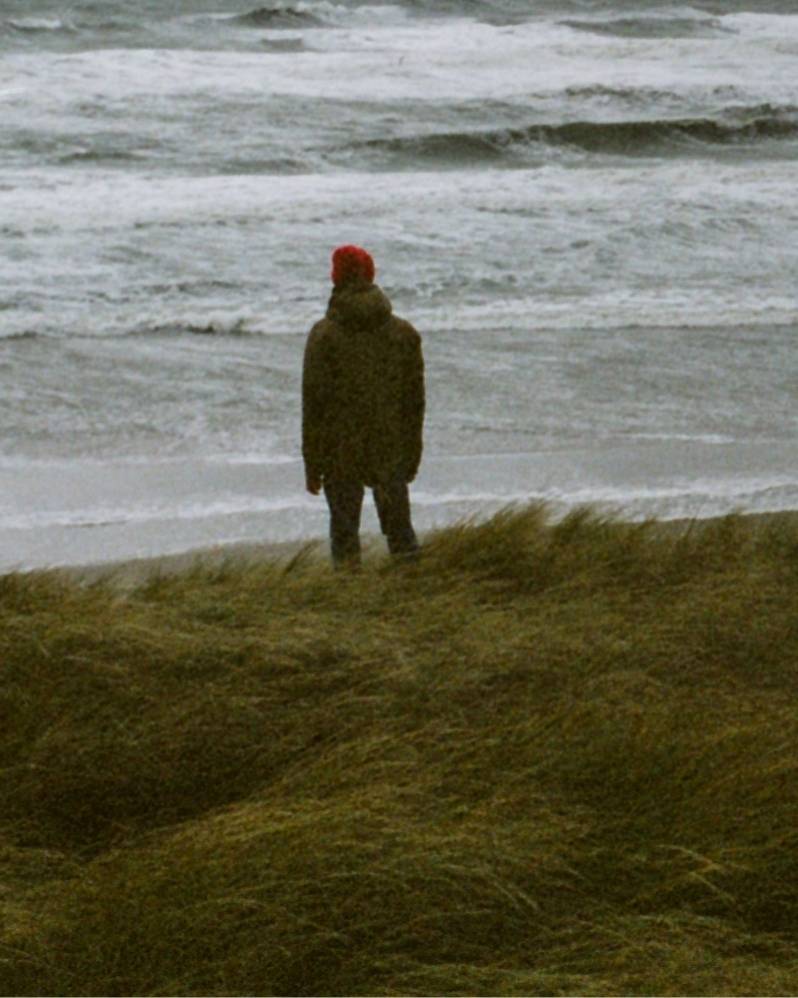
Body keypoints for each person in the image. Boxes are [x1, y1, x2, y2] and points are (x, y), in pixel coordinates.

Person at [302, 245, 425, 567]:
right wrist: (412, 455)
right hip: (390, 445)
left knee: (344, 542)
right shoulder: (404, 333)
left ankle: (348, 604)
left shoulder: (323, 335)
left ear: (336, 277)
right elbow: (414, 405)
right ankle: (413, 598)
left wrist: (312, 465)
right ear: (371, 276)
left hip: (339, 450)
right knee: (402, 538)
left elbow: (313, 406)